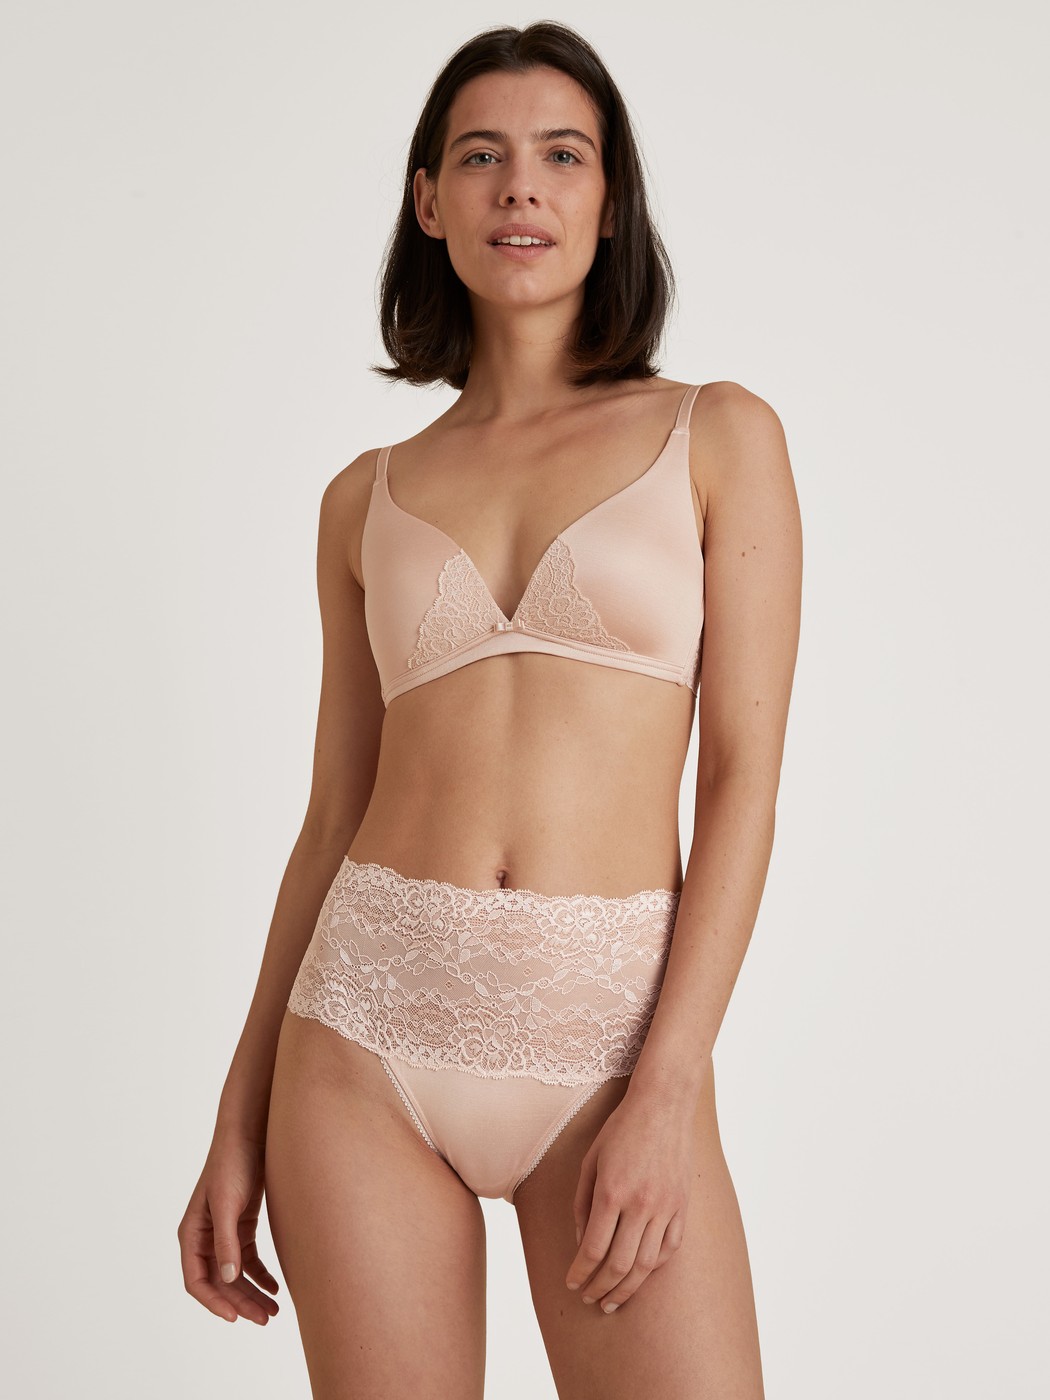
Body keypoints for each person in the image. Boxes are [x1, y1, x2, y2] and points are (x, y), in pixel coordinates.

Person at [178, 19, 801, 1399]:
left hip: (610, 1047)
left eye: (562, 156)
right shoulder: (364, 496)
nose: (520, 186)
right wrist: (238, 1117)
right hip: (361, 1043)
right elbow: (331, 818)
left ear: (610, 201)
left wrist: (669, 1088)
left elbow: (743, 779)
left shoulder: (717, 434)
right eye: (480, 157)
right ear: (429, 200)